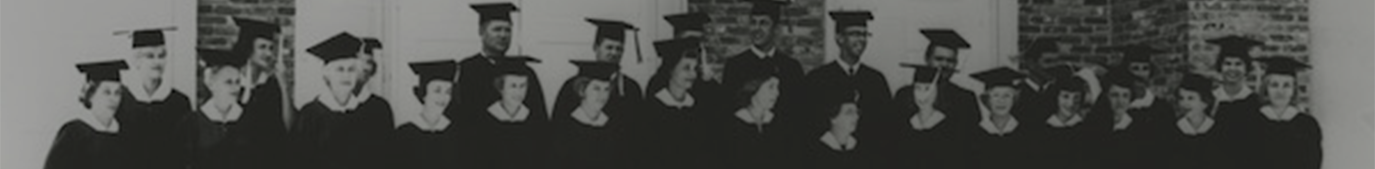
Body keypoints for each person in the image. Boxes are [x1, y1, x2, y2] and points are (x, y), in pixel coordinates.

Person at [293, 32, 395, 169]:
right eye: (340, 69)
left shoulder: (366, 112)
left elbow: (384, 159)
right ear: (327, 73)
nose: (346, 76)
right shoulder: (310, 114)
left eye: (351, 70)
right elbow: (301, 161)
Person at [801, 11, 892, 161]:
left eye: (864, 34)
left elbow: (886, 128)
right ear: (839, 38)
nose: (861, 39)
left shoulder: (876, 80)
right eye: (855, 34)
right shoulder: (817, 79)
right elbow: (807, 127)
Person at [114, 27, 193, 169]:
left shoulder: (179, 103)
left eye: (162, 55)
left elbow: (185, 154)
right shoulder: (121, 100)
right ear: (136, 61)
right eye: (150, 56)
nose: (157, 62)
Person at [454, 2, 546, 122]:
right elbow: (458, 116)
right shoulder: (466, 69)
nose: (503, 35)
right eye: (497, 29)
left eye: (508, 30)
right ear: (481, 32)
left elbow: (539, 119)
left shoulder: (523, 71)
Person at [455, 56, 549, 169]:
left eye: (523, 86)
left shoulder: (533, 120)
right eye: (513, 86)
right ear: (501, 89)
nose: (518, 92)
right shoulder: (484, 120)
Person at [723, 0, 804, 120]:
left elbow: (799, 114)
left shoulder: (791, 68)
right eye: (753, 22)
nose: (757, 28)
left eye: (763, 23)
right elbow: (727, 114)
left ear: (776, 28)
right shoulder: (735, 66)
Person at [552, 18, 643, 125]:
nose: (614, 53)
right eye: (609, 47)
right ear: (596, 47)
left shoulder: (631, 89)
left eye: (619, 49)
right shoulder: (573, 87)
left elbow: (639, 132)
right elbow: (558, 129)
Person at [227, 17, 291, 169]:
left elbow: (289, 127)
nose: (268, 53)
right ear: (248, 48)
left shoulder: (272, 86)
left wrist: (284, 86)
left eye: (271, 48)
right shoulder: (231, 82)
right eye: (262, 47)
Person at [179, 48, 258, 169]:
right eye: (228, 82)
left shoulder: (249, 120)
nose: (235, 88)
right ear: (211, 84)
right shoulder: (192, 124)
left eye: (237, 82)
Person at [45, 60, 132, 169]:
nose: (113, 99)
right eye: (107, 92)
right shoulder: (74, 133)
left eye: (117, 93)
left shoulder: (122, 135)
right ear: (91, 95)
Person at [1239, 57, 1322, 169]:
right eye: (1274, 85)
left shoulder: (1307, 125)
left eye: (1286, 85)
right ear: (1266, 89)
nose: (1280, 91)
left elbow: (1313, 163)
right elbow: (1242, 160)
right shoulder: (1251, 122)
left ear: (1294, 90)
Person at [639, 38, 710, 169]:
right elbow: (646, 156)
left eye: (695, 68)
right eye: (686, 68)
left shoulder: (697, 108)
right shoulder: (651, 110)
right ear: (670, 69)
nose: (692, 74)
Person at [891, 63, 973, 169]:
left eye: (927, 89)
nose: (922, 95)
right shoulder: (905, 125)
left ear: (938, 91)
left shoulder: (951, 127)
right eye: (917, 88)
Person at [552, 61, 630, 168]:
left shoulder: (612, 126)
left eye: (606, 89)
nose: (602, 96)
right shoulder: (566, 127)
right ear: (582, 90)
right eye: (596, 88)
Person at [965, 67, 1042, 169]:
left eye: (1007, 96)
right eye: (996, 95)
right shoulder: (973, 135)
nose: (1001, 101)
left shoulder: (1028, 134)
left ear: (1014, 100)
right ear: (987, 100)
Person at [392, 60, 460, 169]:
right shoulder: (404, 134)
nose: (443, 97)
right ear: (423, 94)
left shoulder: (457, 133)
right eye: (437, 91)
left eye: (448, 92)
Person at [720, 75, 792, 169]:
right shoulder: (731, 125)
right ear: (753, 89)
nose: (777, 93)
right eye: (771, 87)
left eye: (777, 87)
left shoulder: (781, 124)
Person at [918, 29, 981, 129]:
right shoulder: (905, 95)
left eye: (950, 61)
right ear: (927, 59)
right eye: (939, 59)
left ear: (956, 64)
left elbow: (973, 140)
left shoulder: (966, 99)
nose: (944, 64)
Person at [1163, 73, 1227, 169]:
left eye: (1190, 98)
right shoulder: (1171, 132)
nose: (1184, 103)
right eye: (1181, 98)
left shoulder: (1220, 132)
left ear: (1205, 102)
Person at [798, 95, 874, 169]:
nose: (856, 117)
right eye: (849, 112)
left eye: (857, 112)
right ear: (833, 118)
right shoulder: (816, 153)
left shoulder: (861, 150)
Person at [1109, 44, 1173, 129]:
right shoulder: (1117, 107)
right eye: (1135, 68)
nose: (1140, 74)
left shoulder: (1162, 109)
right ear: (1126, 71)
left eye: (1145, 68)